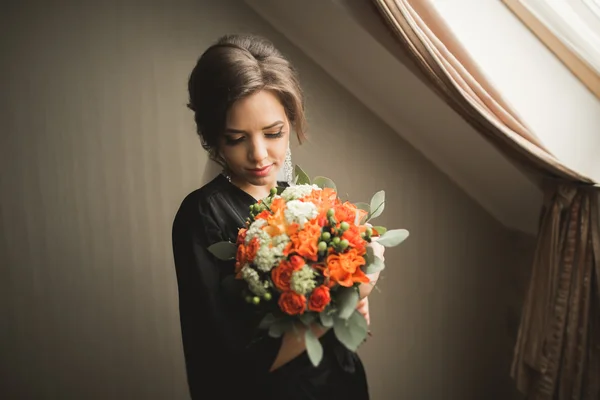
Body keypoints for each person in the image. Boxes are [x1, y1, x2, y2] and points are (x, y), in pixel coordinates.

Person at [172, 33, 381, 400]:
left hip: (341, 382)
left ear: (291, 120)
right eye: (236, 138)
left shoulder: (296, 193)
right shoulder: (202, 215)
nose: (258, 154)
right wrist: (347, 295)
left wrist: (354, 295)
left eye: (273, 133)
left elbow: (345, 311)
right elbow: (225, 369)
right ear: (213, 137)